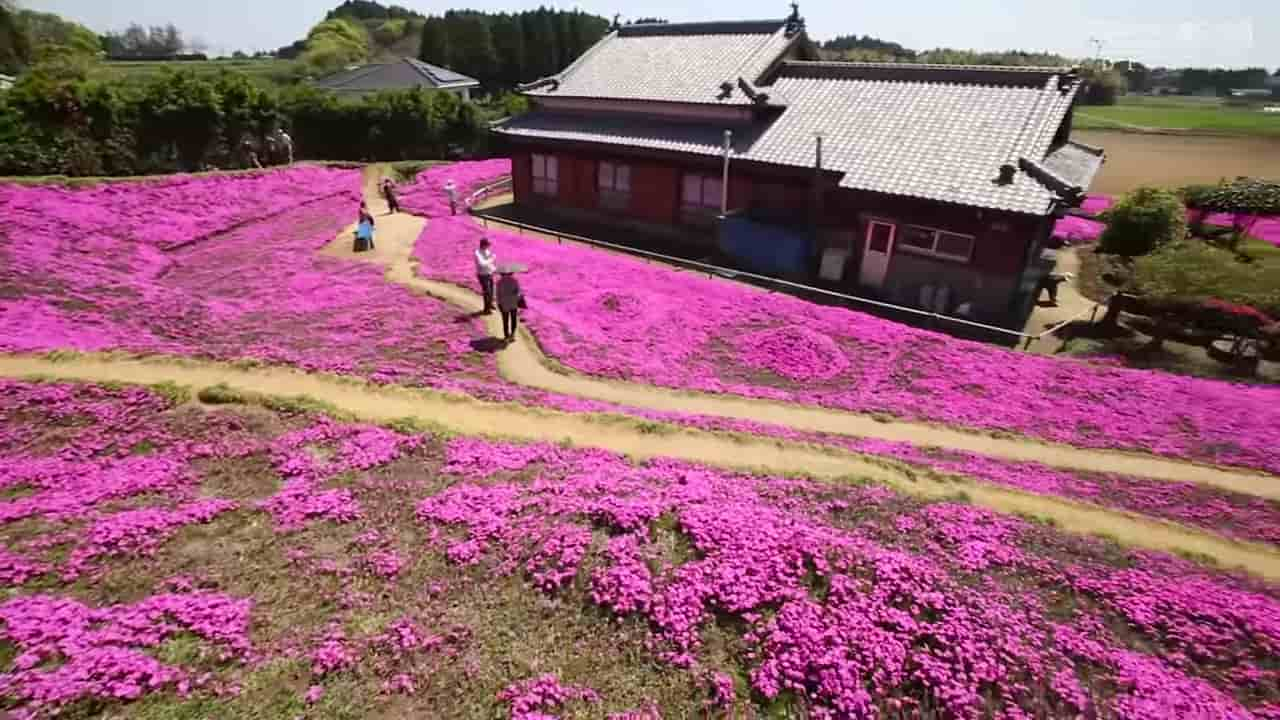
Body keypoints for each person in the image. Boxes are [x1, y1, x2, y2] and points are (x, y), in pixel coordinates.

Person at [497, 270, 523, 342]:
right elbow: (518, 292)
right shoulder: (515, 281)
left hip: (504, 304)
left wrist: (499, 304)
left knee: (505, 320)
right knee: (513, 319)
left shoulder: (499, 282)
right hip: (513, 303)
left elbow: (498, 295)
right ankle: (513, 335)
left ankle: (506, 336)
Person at [475, 237, 497, 314]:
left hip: (489, 273)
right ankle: (486, 309)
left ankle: (490, 304)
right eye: (487, 245)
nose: (489, 246)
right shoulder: (477, 253)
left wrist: (494, 269)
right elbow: (482, 264)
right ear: (483, 245)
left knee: (491, 290)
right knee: (487, 291)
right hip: (482, 275)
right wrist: (492, 259)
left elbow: (489, 263)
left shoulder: (487, 251)